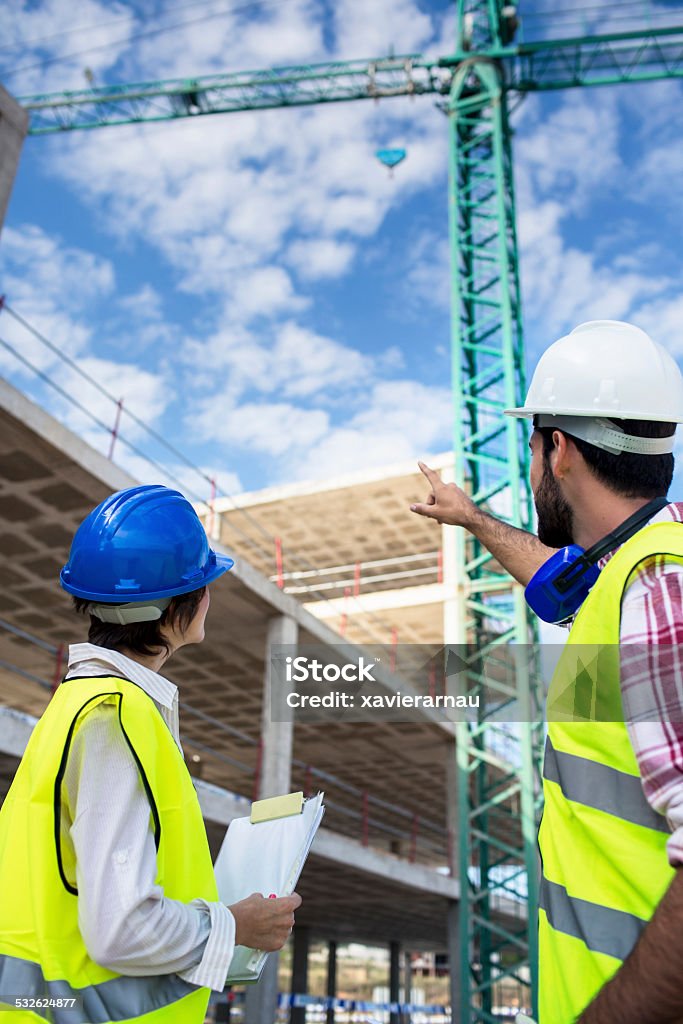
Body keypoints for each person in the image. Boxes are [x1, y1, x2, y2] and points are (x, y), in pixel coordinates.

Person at [410, 320, 683, 1024]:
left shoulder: (656, 582)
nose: (533, 463)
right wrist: (472, 519)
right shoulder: (633, 573)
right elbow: (561, 584)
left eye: (533, 444)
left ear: (556, 449)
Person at [0, 484, 301, 1023]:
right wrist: (236, 925)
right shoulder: (115, 718)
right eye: (205, 583)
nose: (209, 595)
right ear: (180, 603)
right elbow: (121, 929)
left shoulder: (77, 706)